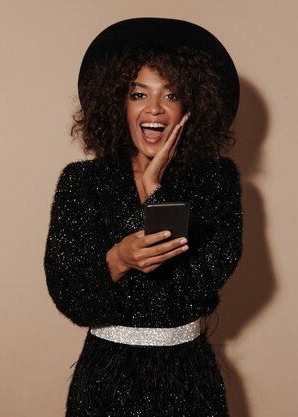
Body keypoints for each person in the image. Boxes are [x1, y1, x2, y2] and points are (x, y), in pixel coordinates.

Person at [45, 18, 243, 416]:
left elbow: (197, 286)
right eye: (139, 94)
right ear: (119, 103)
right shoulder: (81, 183)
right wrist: (118, 259)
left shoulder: (217, 180)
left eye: (170, 95)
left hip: (188, 377)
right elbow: (70, 296)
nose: (154, 108)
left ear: (190, 108)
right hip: (105, 378)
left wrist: (155, 190)